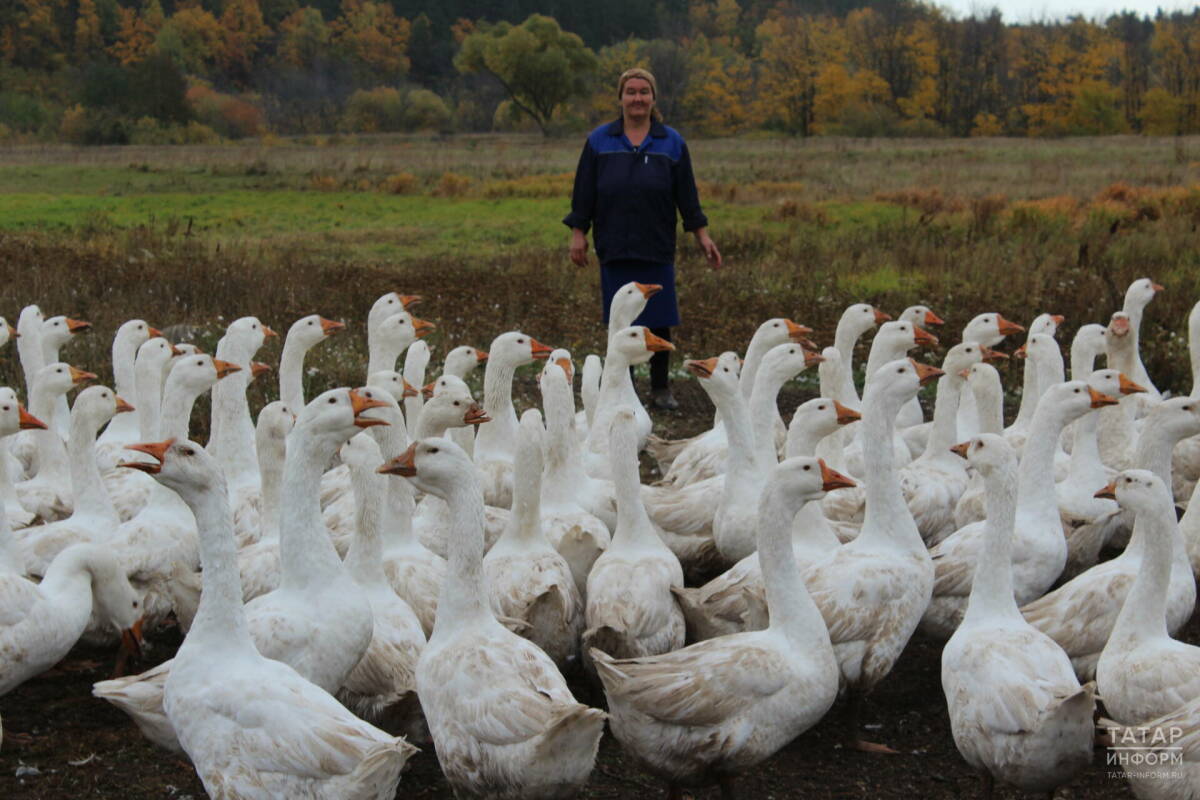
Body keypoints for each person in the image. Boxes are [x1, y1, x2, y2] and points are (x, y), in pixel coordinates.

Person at [564, 67, 721, 411]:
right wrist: (579, 233)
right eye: (631, 92)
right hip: (615, 244)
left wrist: (702, 236)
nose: (637, 98)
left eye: (643, 92)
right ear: (620, 98)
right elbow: (584, 193)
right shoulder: (599, 141)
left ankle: (661, 387)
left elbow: (688, 195)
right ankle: (625, 388)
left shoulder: (672, 143)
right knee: (621, 319)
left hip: (657, 244)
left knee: (660, 316)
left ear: (653, 98)